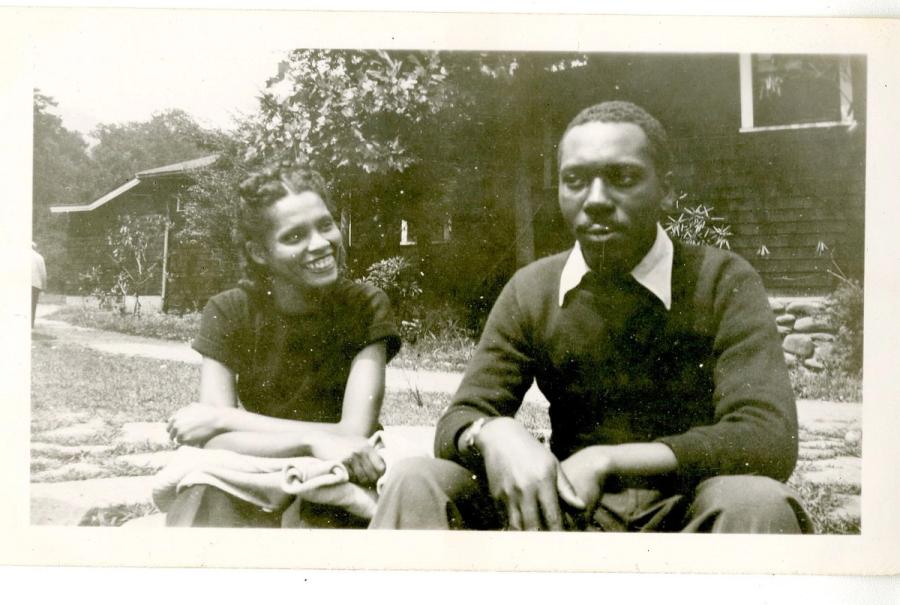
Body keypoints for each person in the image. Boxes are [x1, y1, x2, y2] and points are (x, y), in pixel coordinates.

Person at [370, 101, 811, 533]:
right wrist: (491, 432)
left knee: (758, 503)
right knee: (417, 480)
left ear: (667, 187)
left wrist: (607, 459)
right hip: (565, 510)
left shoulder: (719, 281)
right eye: (576, 179)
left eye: (623, 177)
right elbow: (459, 418)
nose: (596, 199)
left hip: (691, 509)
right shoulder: (532, 289)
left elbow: (766, 437)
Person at [165, 163, 401, 527]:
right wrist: (309, 440)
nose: (321, 244)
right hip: (261, 466)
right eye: (294, 237)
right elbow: (213, 442)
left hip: (342, 467)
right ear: (260, 252)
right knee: (201, 500)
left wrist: (228, 418)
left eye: (325, 225)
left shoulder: (365, 306)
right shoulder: (229, 310)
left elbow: (353, 434)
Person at [31, 242, 47, 328]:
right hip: (35, 285)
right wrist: (44, 287)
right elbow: (43, 274)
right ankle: (31, 324)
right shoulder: (39, 257)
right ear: (35, 248)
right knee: (33, 304)